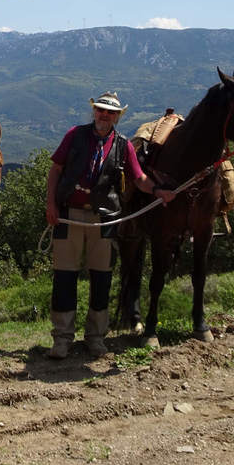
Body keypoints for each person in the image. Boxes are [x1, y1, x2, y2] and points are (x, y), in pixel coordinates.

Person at [45, 92, 175, 360]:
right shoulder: (74, 135)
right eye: (101, 110)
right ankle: (62, 339)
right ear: (94, 111)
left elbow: (138, 178)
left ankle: (95, 338)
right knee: (64, 278)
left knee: (101, 279)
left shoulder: (123, 145)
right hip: (69, 214)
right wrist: (51, 205)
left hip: (105, 218)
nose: (104, 115)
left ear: (118, 116)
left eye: (110, 112)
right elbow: (55, 170)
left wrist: (159, 191)